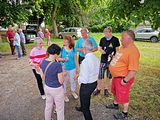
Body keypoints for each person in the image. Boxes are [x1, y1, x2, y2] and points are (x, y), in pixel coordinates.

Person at [106, 30, 140, 120]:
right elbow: (121, 58)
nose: (121, 40)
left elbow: (133, 70)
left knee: (124, 96)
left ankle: (125, 113)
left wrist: (125, 80)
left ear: (129, 39)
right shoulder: (123, 47)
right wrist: (113, 58)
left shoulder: (133, 51)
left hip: (123, 78)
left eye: (123, 38)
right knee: (115, 92)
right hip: (116, 77)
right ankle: (115, 104)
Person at [75, 40, 100, 120]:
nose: (82, 49)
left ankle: (85, 110)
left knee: (86, 108)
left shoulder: (85, 62)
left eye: (82, 48)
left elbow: (84, 80)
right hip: (94, 83)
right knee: (86, 99)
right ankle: (82, 107)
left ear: (85, 48)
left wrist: (78, 77)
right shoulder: (96, 59)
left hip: (86, 86)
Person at [93, 26, 120, 96]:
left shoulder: (115, 40)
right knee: (100, 75)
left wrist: (114, 57)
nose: (105, 33)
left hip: (111, 61)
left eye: (106, 32)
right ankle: (98, 89)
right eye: (104, 32)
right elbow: (100, 48)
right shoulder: (102, 39)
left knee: (109, 76)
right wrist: (101, 50)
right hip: (103, 60)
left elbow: (117, 51)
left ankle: (106, 89)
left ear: (110, 32)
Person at [40, 44, 64, 120]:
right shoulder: (57, 65)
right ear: (56, 54)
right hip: (57, 89)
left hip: (47, 87)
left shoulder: (43, 61)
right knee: (60, 109)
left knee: (48, 105)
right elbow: (61, 81)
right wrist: (63, 73)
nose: (60, 54)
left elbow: (42, 75)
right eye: (59, 53)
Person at [61, 36, 79, 102]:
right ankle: (64, 94)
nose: (64, 41)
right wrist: (62, 62)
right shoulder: (62, 48)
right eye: (64, 40)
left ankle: (73, 91)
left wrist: (77, 69)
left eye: (65, 40)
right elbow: (58, 59)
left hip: (72, 68)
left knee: (73, 80)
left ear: (69, 41)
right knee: (64, 81)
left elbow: (75, 60)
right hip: (64, 68)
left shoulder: (74, 49)